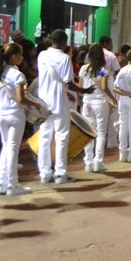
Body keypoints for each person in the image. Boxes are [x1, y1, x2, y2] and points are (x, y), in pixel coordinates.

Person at [37, 30, 91, 184]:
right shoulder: (65, 58)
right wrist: (84, 90)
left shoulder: (42, 56)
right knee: (61, 138)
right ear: (64, 41)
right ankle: (60, 173)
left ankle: (45, 173)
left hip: (43, 102)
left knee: (45, 137)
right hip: (59, 102)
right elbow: (69, 83)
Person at [0, 42, 42, 197]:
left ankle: (2, 183)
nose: (22, 57)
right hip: (14, 114)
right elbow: (21, 99)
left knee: (6, 147)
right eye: (20, 54)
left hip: (1, 113)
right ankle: (12, 184)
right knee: (13, 149)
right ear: (14, 56)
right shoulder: (17, 75)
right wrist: (35, 104)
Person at [79, 44, 117, 173]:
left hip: (87, 103)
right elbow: (104, 87)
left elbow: (80, 87)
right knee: (101, 133)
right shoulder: (102, 70)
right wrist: (112, 99)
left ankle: (88, 162)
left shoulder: (84, 69)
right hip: (100, 102)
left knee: (89, 132)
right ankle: (98, 161)